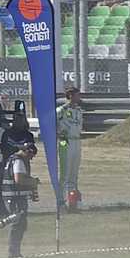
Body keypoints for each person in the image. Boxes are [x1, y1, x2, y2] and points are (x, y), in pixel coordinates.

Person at [0, 138, 38, 258]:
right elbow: (19, 179)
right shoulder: (18, 161)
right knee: (18, 222)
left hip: (13, 196)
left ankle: (16, 251)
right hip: (15, 197)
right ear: (27, 152)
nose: (31, 159)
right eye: (32, 155)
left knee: (21, 223)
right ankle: (13, 252)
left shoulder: (12, 159)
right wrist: (33, 181)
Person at [56, 82, 85, 210]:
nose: (79, 98)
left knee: (74, 171)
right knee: (65, 172)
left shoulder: (79, 110)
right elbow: (52, 124)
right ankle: (61, 200)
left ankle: (73, 199)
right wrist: (58, 133)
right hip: (65, 141)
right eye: (77, 95)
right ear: (70, 96)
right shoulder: (61, 110)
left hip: (77, 140)